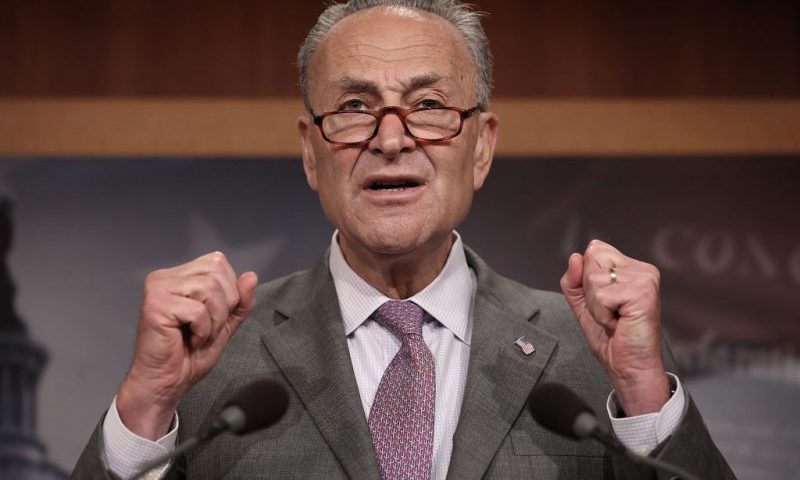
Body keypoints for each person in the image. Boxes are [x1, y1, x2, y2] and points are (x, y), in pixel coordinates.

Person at [71, 1, 736, 479]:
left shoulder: (597, 353)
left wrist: (647, 399)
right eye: (355, 107)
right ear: (312, 151)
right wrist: (145, 409)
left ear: (481, 147)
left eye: (428, 106)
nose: (391, 139)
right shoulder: (211, 357)